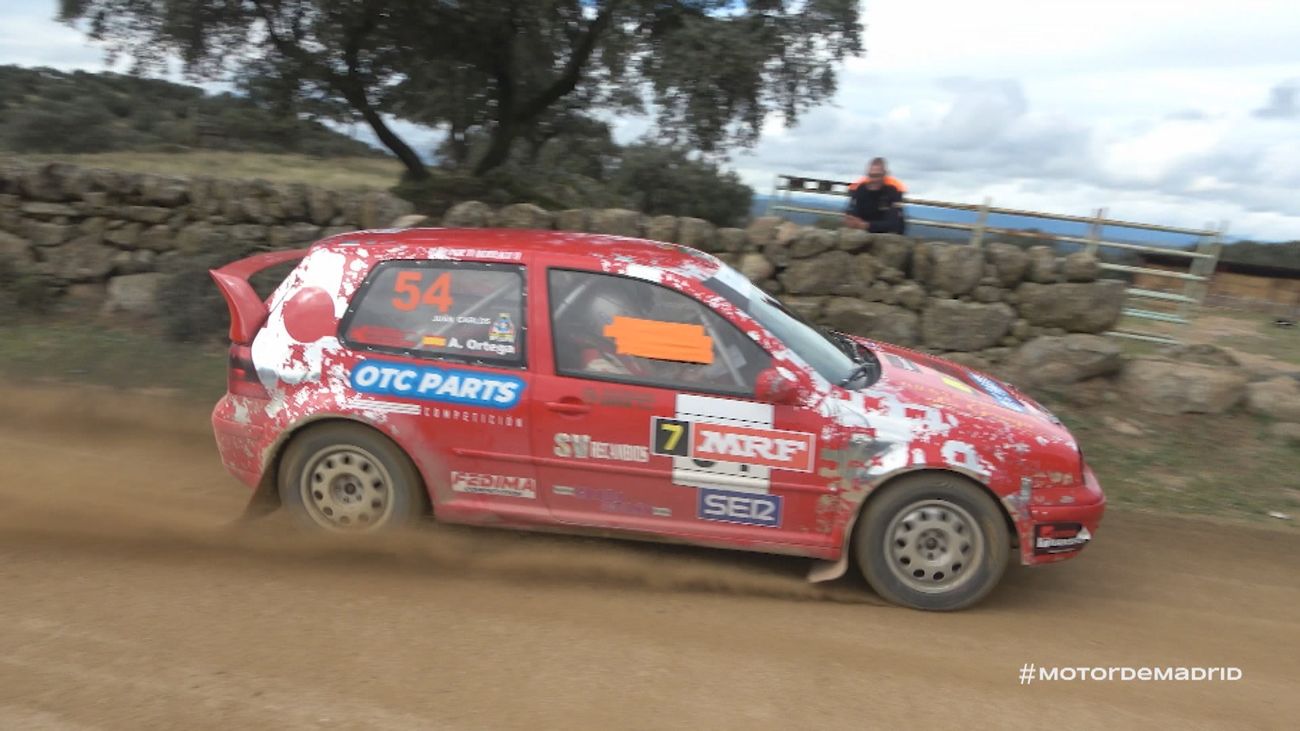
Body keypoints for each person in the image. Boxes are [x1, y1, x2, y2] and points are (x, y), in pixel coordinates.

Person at [843, 157, 906, 234]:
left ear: (885, 174)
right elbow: (851, 213)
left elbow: (896, 224)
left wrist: (866, 225)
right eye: (871, 175)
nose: (874, 180)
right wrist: (851, 220)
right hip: (862, 234)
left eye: (877, 176)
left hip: (887, 237)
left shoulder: (893, 190)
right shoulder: (860, 188)